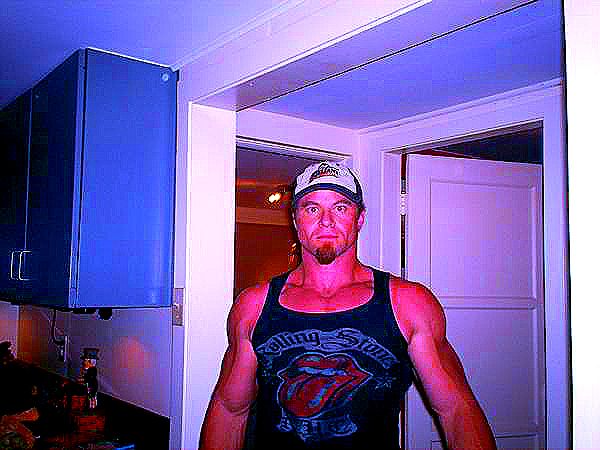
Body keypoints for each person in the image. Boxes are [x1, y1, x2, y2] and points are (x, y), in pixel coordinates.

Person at [199, 161, 496, 450]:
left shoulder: (408, 303)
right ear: (295, 220)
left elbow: (456, 409)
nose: (326, 221)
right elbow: (229, 410)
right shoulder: (253, 305)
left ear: (360, 219)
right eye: (312, 208)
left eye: (340, 208)